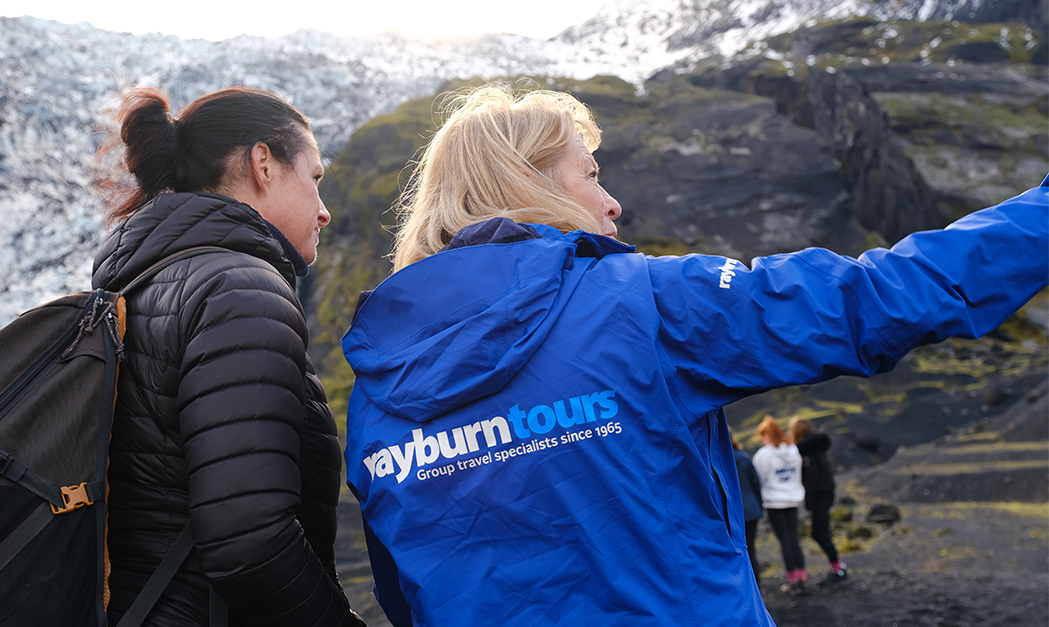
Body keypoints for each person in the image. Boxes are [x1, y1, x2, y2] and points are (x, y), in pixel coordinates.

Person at [341, 84, 1048, 627]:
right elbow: (872, 298)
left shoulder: (374, 388)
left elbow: (407, 597)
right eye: (589, 173)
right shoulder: (641, 300)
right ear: (525, 184)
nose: (612, 202)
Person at [91, 87, 365, 626]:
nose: (324, 211)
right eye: (314, 179)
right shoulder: (238, 292)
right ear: (263, 163)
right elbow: (249, 540)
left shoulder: (137, 290)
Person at [790, 415, 848, 585]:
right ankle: (837, 567)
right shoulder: (816, 447)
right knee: (822, 533)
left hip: (820, 496)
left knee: (819, 533)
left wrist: (810, 504)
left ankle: (839, 569)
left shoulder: (806, 452)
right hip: (826, 494)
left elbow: (811, 479)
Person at [753, 416, 808, 594]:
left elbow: (758, 478)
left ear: (767, 435)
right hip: (793, 499)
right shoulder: (793, 450)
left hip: (774, 502)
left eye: (763, 435)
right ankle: (802, 576)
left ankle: (793, 580)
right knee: (793, 538)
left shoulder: (764, 455)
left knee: (784, 540)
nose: (762, 439)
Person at [732, 427, 764, 582]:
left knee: (737, 550)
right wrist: (760, 506)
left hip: (731, 513)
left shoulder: (717, 460)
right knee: (750, 547)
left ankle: (746, 584)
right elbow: (756, 483)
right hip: (751, 510)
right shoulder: (744, 458)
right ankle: (756, 583)